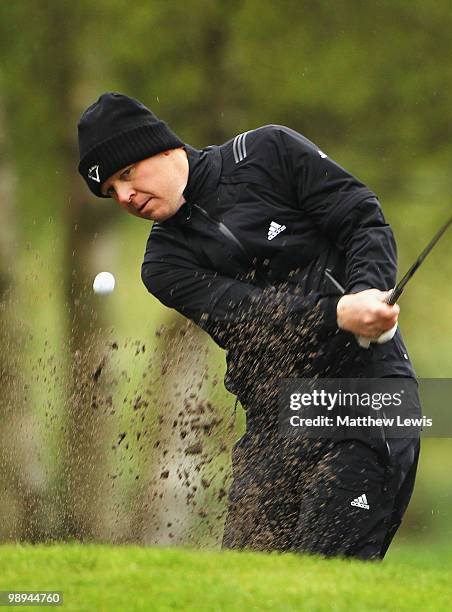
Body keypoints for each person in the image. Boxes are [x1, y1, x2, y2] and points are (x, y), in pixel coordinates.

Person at [77, 92, 420, 559]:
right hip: (274, 418)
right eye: (110, 192)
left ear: (162, 147)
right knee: (248, 581)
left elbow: (362, 220)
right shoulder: (164, 264)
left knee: (323, 579)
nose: (124, 197)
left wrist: (366, 292)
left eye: (126, 175)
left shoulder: (268, 152)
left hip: (365, 393)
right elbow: (253, 314)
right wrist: (337, 313)